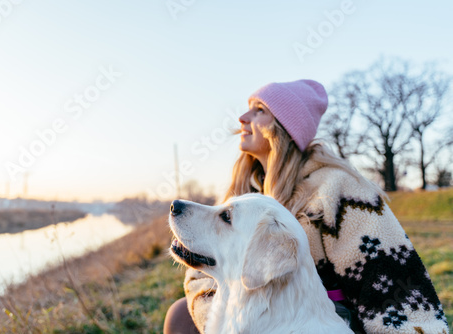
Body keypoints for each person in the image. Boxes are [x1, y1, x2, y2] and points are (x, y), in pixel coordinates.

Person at [164, 80, 449, 334]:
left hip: (320, 323)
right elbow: (200, 269)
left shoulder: (340, 190)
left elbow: (396, 283)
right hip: (249, 317)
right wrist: (223, 321)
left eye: (259, 110)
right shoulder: (244, 190)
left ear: (285, 128)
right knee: (179, 314)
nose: (242, 118)